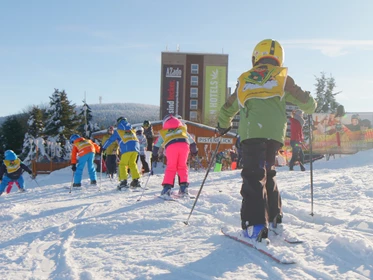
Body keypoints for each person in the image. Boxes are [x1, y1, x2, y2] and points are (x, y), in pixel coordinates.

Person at [217, 39, 317, 242]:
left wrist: (223, 125)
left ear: (256, 57)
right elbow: (308, 104)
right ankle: (274, 221)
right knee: (268, 174)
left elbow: (228, 108)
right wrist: (309, 104)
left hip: (252, 134)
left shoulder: (245, 79)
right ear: (279, 58)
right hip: (274, 137)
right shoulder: (283, 78)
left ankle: (254, 227)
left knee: (254, 176)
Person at [152, 114, 198, 197]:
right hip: (184, 145)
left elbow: (156, 145)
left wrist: (154, 155)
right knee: (182, 166)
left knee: (171, 167)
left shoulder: (163, 131)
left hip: (171, 147)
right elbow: (192, 141)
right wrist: (194, 151)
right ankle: (184, 189)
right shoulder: (182, 129)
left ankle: (167, 189)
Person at [101, 119, 141, 189]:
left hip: (126, 149)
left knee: (123, 164)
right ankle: (136, 180)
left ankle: (123, 181)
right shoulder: (132, 130)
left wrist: (103, 148)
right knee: (132, 163)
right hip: (136, 148)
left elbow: (110, 140)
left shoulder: (118, 132)